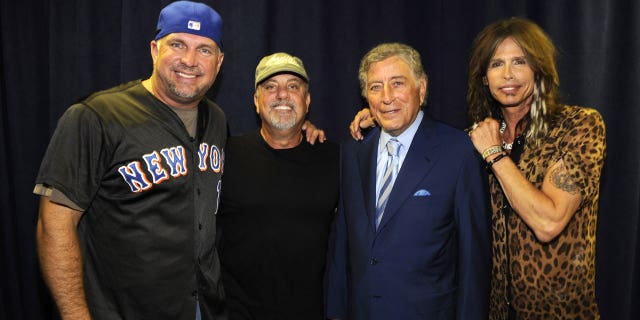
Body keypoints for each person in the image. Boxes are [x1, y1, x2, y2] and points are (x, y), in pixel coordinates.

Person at [349, 18, 606, 319]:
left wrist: (494, 154)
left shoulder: (578, 126)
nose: (507, 75)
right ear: (484, 77)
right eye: (496, 64)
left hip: (560, 312)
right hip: (494, 311)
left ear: (539, 69)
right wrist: (386, 114)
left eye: (519, 61)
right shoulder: (474, 137)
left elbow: (548, 223)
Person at [34, 1, 227, 319]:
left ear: (219, 62)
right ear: (154, 50)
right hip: (122, 310)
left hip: (201, 306)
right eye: (177, 44)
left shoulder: (217, 119)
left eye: (204, 50)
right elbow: (53, 224)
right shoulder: (96, 117)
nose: (190, 61)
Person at [324, 42, 491, 320]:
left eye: (397, 83)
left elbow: (474, 260)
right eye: (375, 87)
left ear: (422, 89)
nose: (386, 97)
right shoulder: (352, 152)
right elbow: (343, 247)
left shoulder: (459, 152)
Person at [215, 52, 339, 320]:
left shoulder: (336, 160)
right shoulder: (224, 155)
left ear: (307, 102)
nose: (282, 94)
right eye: (270, 87)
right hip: (234, 313)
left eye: (293, 86)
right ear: (256, 102)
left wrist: (373, 118)